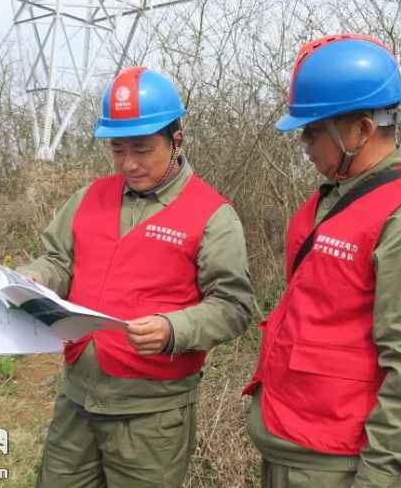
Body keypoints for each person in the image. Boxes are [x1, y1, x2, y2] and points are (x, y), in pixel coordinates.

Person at [243, 34, 401, 488]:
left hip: (341, 467)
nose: (304, 143)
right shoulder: (328, 199)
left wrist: (379, 477)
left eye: (313, 131)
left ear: (362, 130)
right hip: (292, 445)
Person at [19, 66, 254, 488]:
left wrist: (173, 328)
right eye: (118, 150)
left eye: (142, 149)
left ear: (176, 139)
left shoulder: (213, 215)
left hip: (151, 416)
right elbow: (59, 260)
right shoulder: (90, 197)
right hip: (78, 400)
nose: (128, 163)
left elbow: (234, 307)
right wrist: (35, 277)